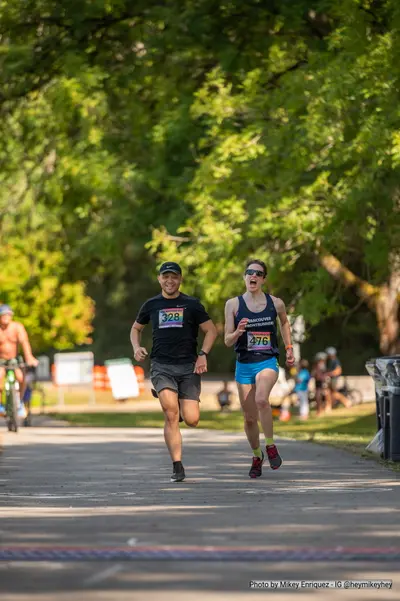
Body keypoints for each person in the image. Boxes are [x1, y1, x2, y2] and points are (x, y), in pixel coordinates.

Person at [130, 262, 217, 482]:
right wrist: (136, 347)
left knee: (192, 420)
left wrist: (203, 354)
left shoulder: (192, 304)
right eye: (165, 277)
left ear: (180, 279)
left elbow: (211, 330)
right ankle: (177, 466)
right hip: (162, 365)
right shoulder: (151, 304)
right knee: (170, 414)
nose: (170, 281)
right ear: (159, 279)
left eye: (174, 277)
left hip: (188, 367)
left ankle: (173, 397)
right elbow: (136, 328)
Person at [224, 259, 295, 478]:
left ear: (263, 279)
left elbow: (284, 323)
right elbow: (227, 340)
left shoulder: (276, 303)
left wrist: (289, 347)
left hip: (267, 361)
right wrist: (237, 332)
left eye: (258, 273)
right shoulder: (233, 304)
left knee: (262, 399)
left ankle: (271, 445)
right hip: (244, 364)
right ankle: (257, 456)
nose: (252, 276)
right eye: (249, 272)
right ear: (244, 277)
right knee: (248, 418)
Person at [0, 305, 39, 417]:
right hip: (1, 360)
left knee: (22, 378)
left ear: (11, 316)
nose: (6, 317)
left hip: (14, 360)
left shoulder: (17, 327)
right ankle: (0, 406)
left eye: (8, 315)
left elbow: (24, 342)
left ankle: (19, 403)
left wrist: (29, 357)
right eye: (3, 315)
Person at [312, 352, 327, 416]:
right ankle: (320, 410)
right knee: (318, 397)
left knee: (318, 397)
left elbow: (317, 374)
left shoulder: (320, 365)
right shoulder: (320, 365)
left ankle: (319, 410)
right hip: (318, 382)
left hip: (319, 382)